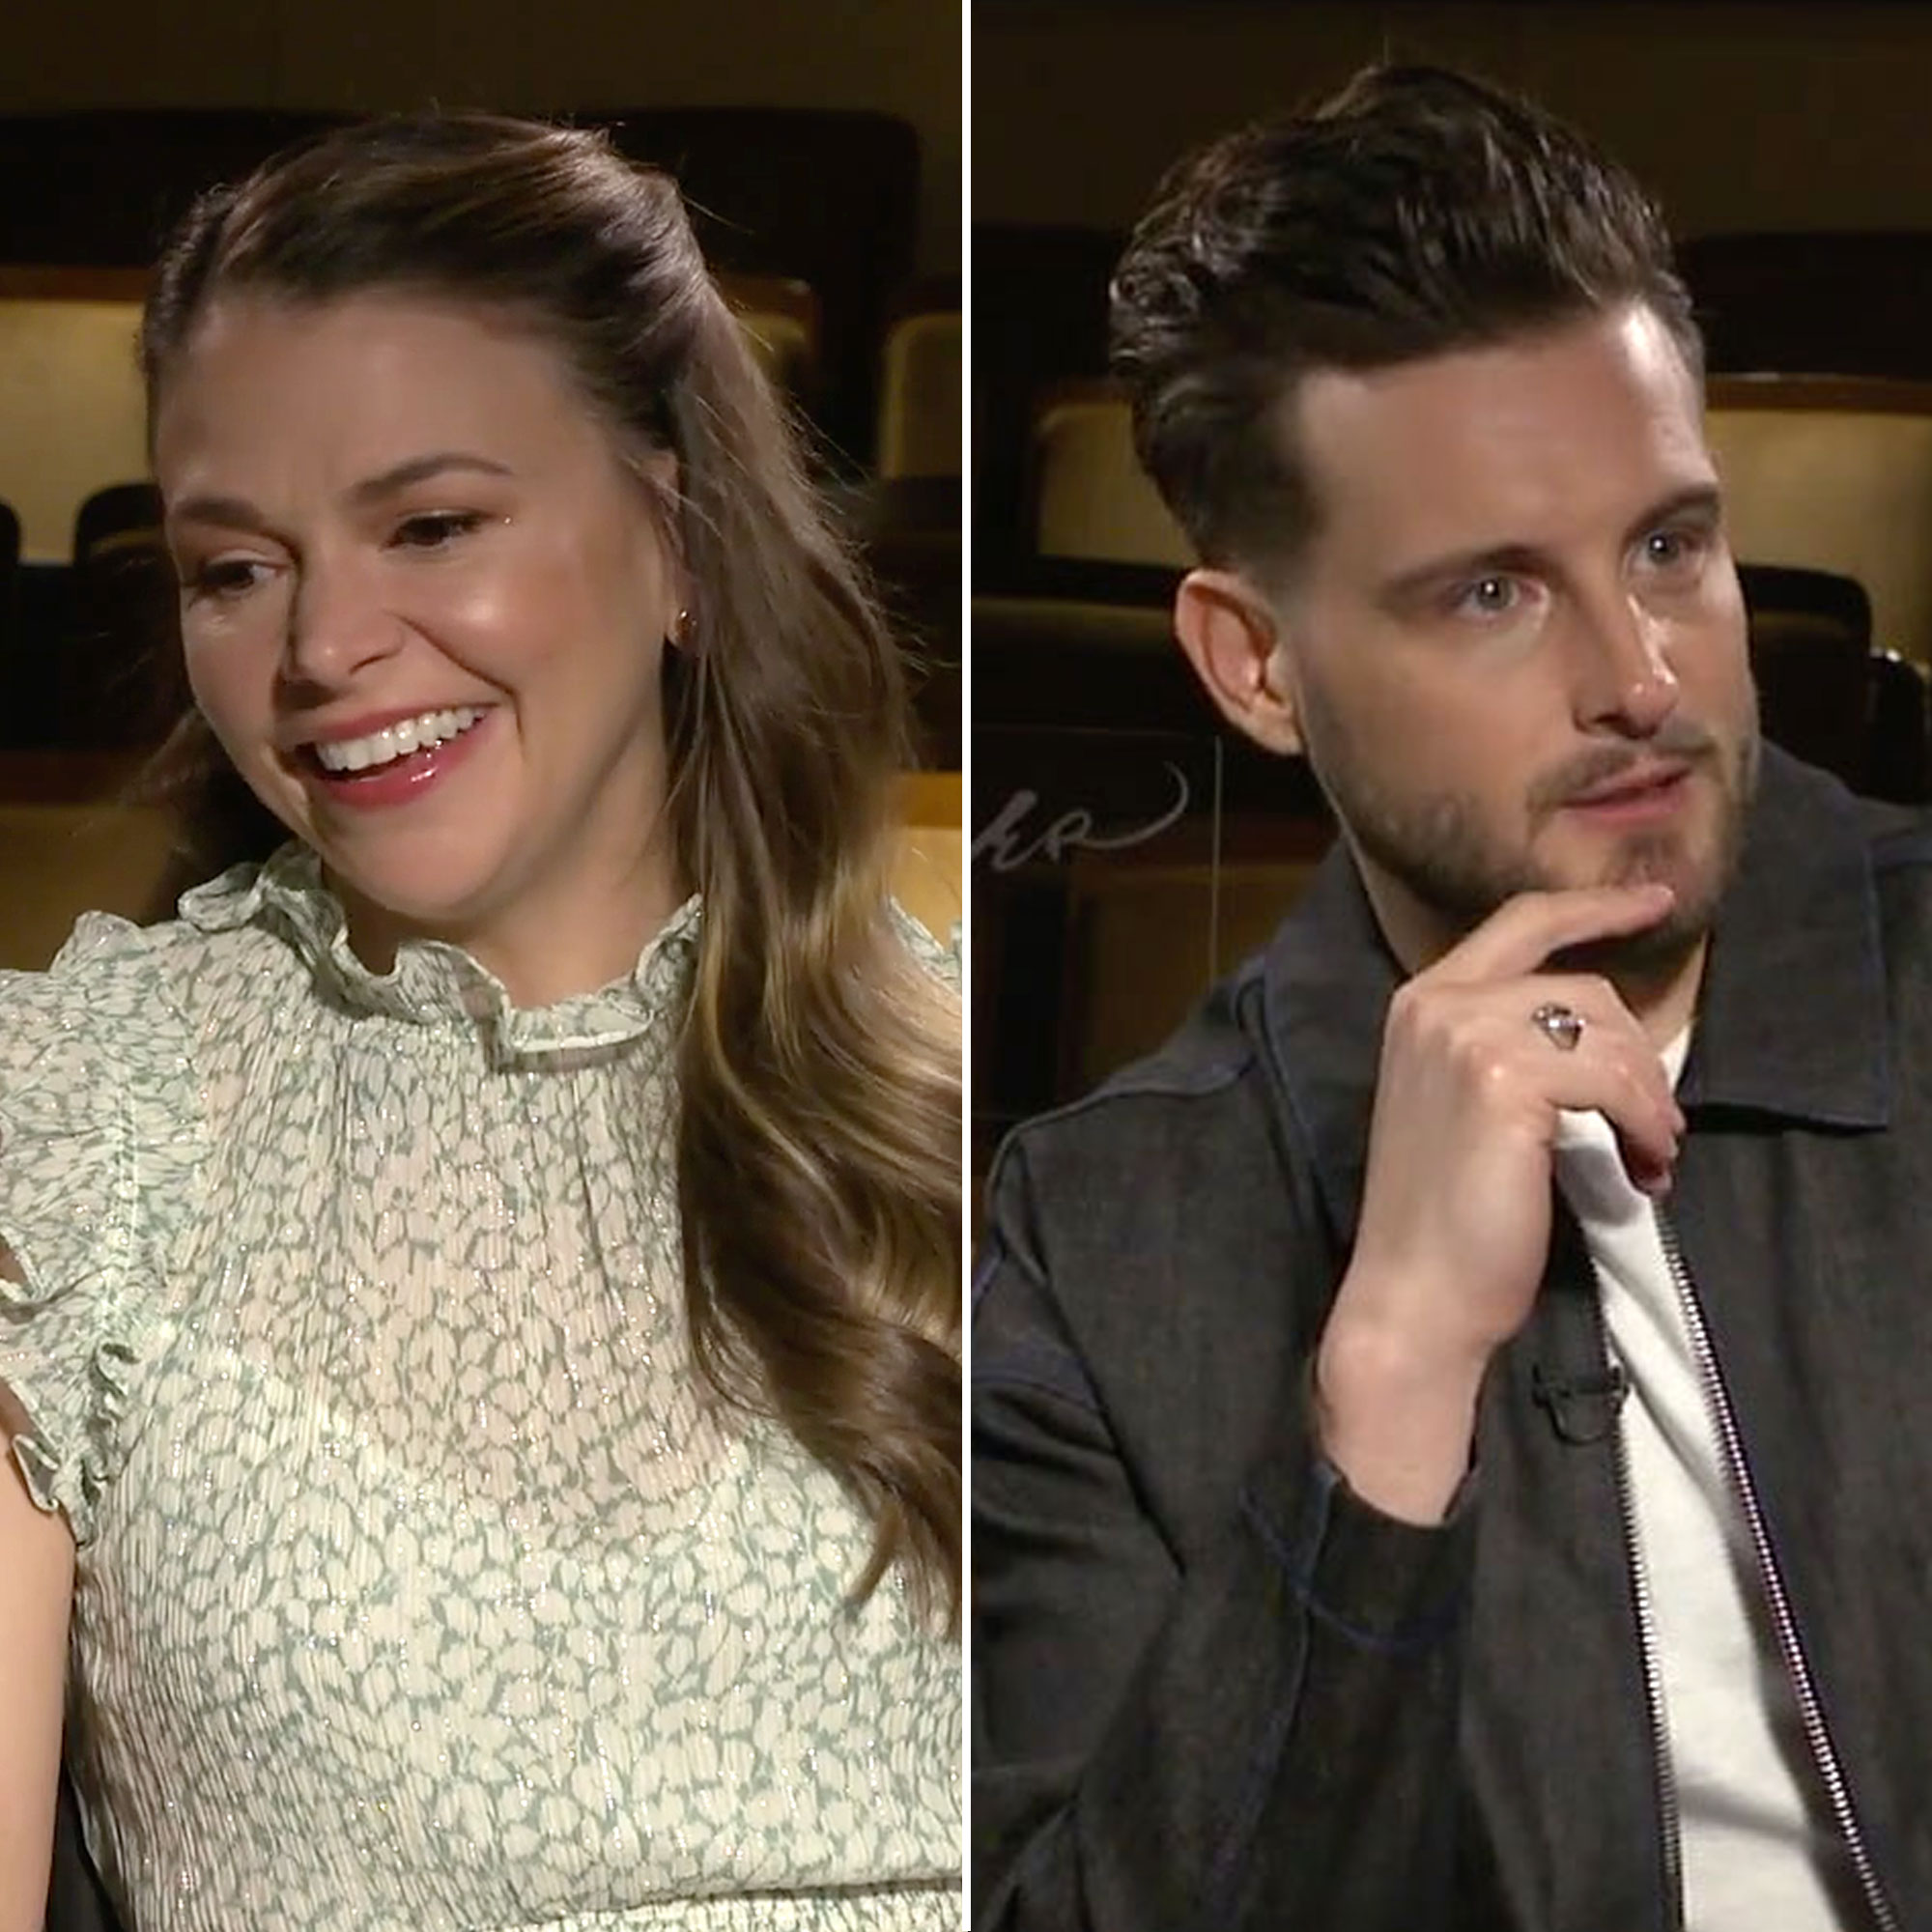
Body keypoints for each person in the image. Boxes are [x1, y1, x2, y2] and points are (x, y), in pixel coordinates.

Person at [972, 64, 1932, 1931]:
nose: (1640, 675)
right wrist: (1396, 1369)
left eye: (1670, 545)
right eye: (1493, 593)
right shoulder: (1101, 1241)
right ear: (1254, 666)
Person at [1, 112, 962, 1930]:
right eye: (236, 567)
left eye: (432, 525)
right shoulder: (70, 1116)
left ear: (679, 545)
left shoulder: (973, 1106)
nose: (323, 647)